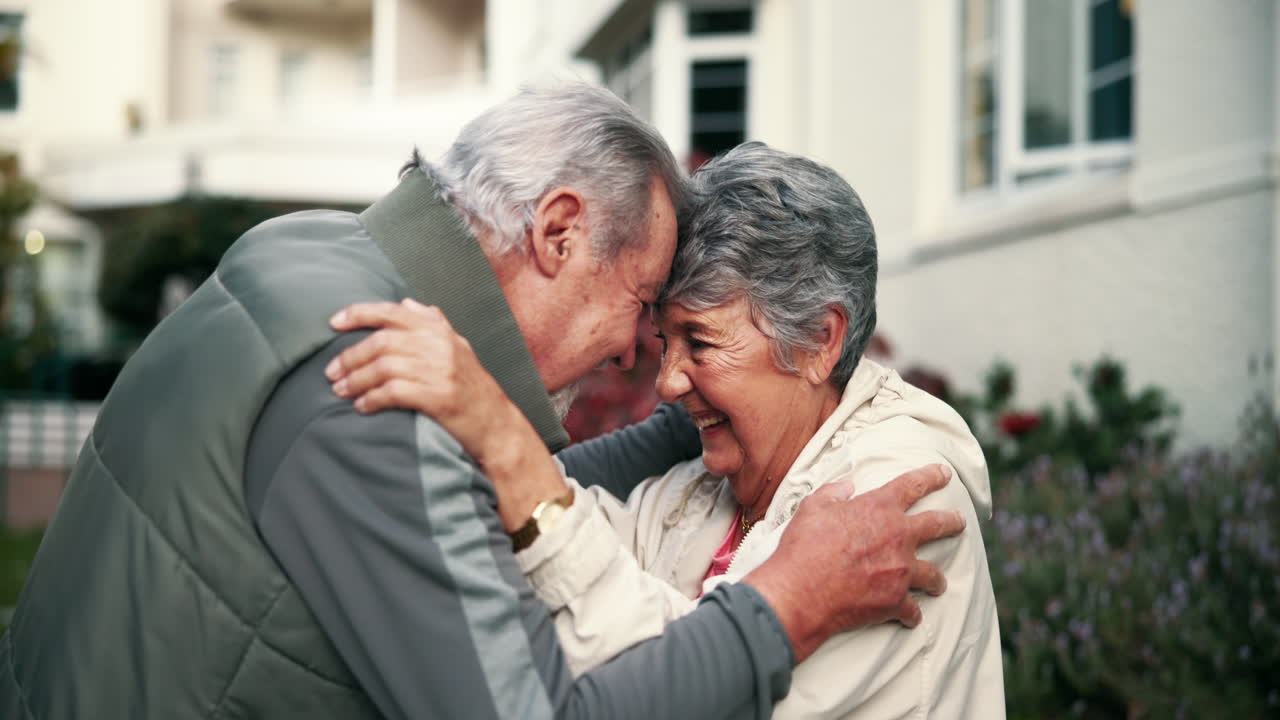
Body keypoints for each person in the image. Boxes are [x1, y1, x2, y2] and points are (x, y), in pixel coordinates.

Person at [0, 88, 965, 720]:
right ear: (557, 232)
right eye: (641, 306)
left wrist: (710, 405)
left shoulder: (310, 253)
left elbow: (472, 495)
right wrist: (783, 608)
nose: (641, 353)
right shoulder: (377, 397)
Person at [326, 142, 1005, 717]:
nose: (668, 381)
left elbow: (695, 692)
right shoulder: (698, 491)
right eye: (664, 340)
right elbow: (544, 574)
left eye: (702, 344)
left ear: (821, 342)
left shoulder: (898, 497)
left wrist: (504, 440)